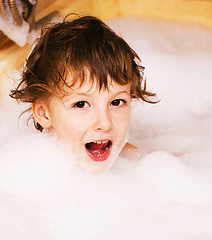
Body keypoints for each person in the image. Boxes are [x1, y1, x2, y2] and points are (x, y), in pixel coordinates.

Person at [10, 15, 158, 173]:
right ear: (44, 114)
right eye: (81, 104)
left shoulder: (134, 161)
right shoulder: (30, 171)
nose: (105, 123)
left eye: (116, 102)